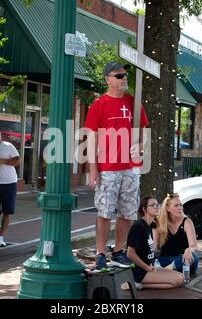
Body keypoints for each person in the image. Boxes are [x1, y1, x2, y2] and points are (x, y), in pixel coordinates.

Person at [84, 61, 149, 271]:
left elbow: (144, 134)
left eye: (124, 75)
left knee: (127, 213)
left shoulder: (134, 102)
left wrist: (140, 146)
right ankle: (100, 253)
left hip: (130, 167)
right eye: (119, 75)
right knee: (104, 212)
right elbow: (91, 139)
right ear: (107, 79)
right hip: (108, 167)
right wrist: (93, 169)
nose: (124, 78)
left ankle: (119, 251)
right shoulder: (99, 104)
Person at [126, 196, 184, 289]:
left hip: (150, 267)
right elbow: (130, 254)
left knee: (181, 277)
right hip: (140, 271)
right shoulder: (138, 226)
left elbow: (151, 250)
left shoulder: (150, 226)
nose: (157, 207)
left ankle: (138, 285)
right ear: (144, 209)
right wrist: (147, 268)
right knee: (178, 281)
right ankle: (135, 282)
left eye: (158, 205)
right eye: (153, 205)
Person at [154, 194, 199, 275]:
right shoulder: (160, 223)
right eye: (176, 205)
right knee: (147, 261)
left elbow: (194, 246)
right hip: (165, 260)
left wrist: (188, 250)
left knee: (194, 258)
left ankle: (166, 271)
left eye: (180, 205)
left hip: (182, 260)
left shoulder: (187, 222)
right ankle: (167, 271)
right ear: (167, 208)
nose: (180, 208)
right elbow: (154, 248)